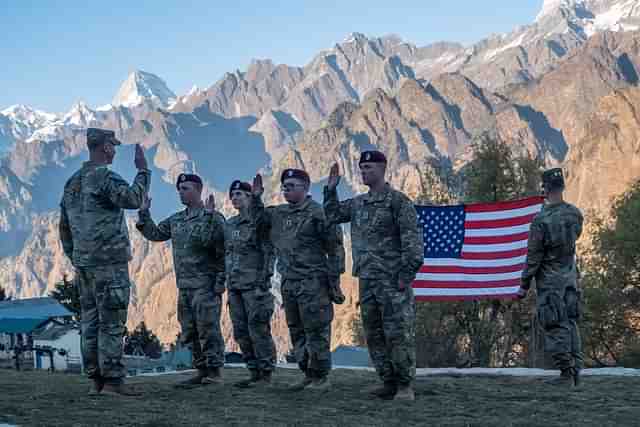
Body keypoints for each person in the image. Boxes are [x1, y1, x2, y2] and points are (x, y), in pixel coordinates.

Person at [323, 151, 423, 401]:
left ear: (382, 168)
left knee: (398, 333)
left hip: (392, 281)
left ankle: (404, 385)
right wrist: (331, 190)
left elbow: (413, 243)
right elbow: (333, 215)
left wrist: (405, 276)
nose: (364, 171)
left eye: (368, 167)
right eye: (361, 168)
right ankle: (387, 382)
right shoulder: (358, 204)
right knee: (375, 334)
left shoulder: (398, 202)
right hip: (366, 280)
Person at [59, 128, 150, 396]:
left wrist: (76, 257)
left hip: (84, 265)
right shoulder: (104, 178)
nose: (115, 149)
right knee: (111, 322)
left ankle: (95, 381)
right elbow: (133, 199)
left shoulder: (72, 183)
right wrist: (143, 171)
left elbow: (64, 227)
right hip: (109, 264)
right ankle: (112, 381)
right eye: (113, 145)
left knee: (89, 322)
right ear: (106, 147)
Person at [250, 169, 345, 391]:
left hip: (313, 282)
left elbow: (335, 248)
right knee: (297, 331)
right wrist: (255, 198)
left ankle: (321, 377)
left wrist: (334, 281)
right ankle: (307, 373)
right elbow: (258, 222)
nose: (287, 189)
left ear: (305, 187)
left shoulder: (317, 213)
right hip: (289, 283)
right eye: (285, 186)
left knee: (316, 331)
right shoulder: (279, 213)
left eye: (292, 185)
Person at [136, 173, 226, 388]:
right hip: (185, 286)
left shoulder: (212, 217)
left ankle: (214, 372)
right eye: (179, 189)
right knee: (190, 330)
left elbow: (223, 250)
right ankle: (201, 370)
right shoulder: (176, 220)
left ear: (198, 190)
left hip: (206, 285)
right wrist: (144, 212)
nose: (181, 192)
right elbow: (155, 234)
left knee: (208, 329)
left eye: (185, 188)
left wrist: (221, 280)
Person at [517, 168, 584, 387]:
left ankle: (566, 373)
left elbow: (534, 257)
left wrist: (524, 285)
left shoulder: (541, 221)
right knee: (571, 323)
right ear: (562, 187)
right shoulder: (575, 214)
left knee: (556, 325)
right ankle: (576, 371)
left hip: (550, 284)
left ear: (545, 189)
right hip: (571, 280)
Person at [225, 180, 277, 388]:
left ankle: (266, 374)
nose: (235, 197)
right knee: (241, 332)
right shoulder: (230, 225)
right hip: (235, 286)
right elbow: (226, 253)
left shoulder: (259, 223)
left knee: (258, 330)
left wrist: (263, 281)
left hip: (255, 286)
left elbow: (269, 251)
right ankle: (253, 372)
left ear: (249, 197)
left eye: (240, 194)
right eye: (233, 194)